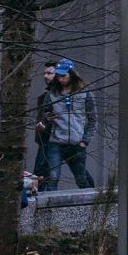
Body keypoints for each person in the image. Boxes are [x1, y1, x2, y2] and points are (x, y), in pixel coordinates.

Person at [34, 61, 97, 191]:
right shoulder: (51, 94)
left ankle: (92, 206)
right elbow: (46, 115)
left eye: (64, 76)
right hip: (55, 143)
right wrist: (45, 123)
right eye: (58, 76)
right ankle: (49, 210)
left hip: (76, 143)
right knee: (52, 177)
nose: (61, 79)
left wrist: (85, 141)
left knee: (81, 179)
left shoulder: (85, 93)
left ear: (71, 74)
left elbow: (93, 119)